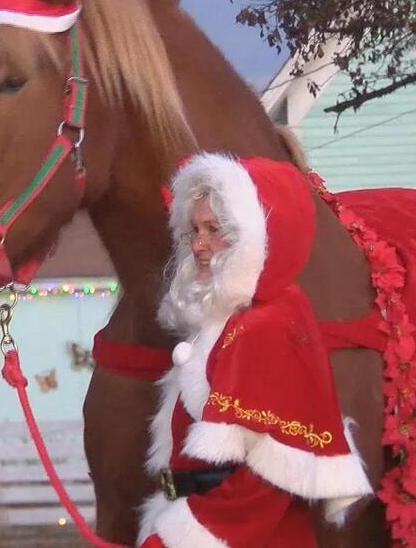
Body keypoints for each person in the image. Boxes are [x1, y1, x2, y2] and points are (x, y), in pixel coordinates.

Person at [139, 153, 373, 548]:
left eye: (214, 230)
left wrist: (179, 538)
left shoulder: (266, 328)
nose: (198, 245)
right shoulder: (230, 321)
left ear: (255, 237)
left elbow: (265, 479)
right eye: (193, 230)